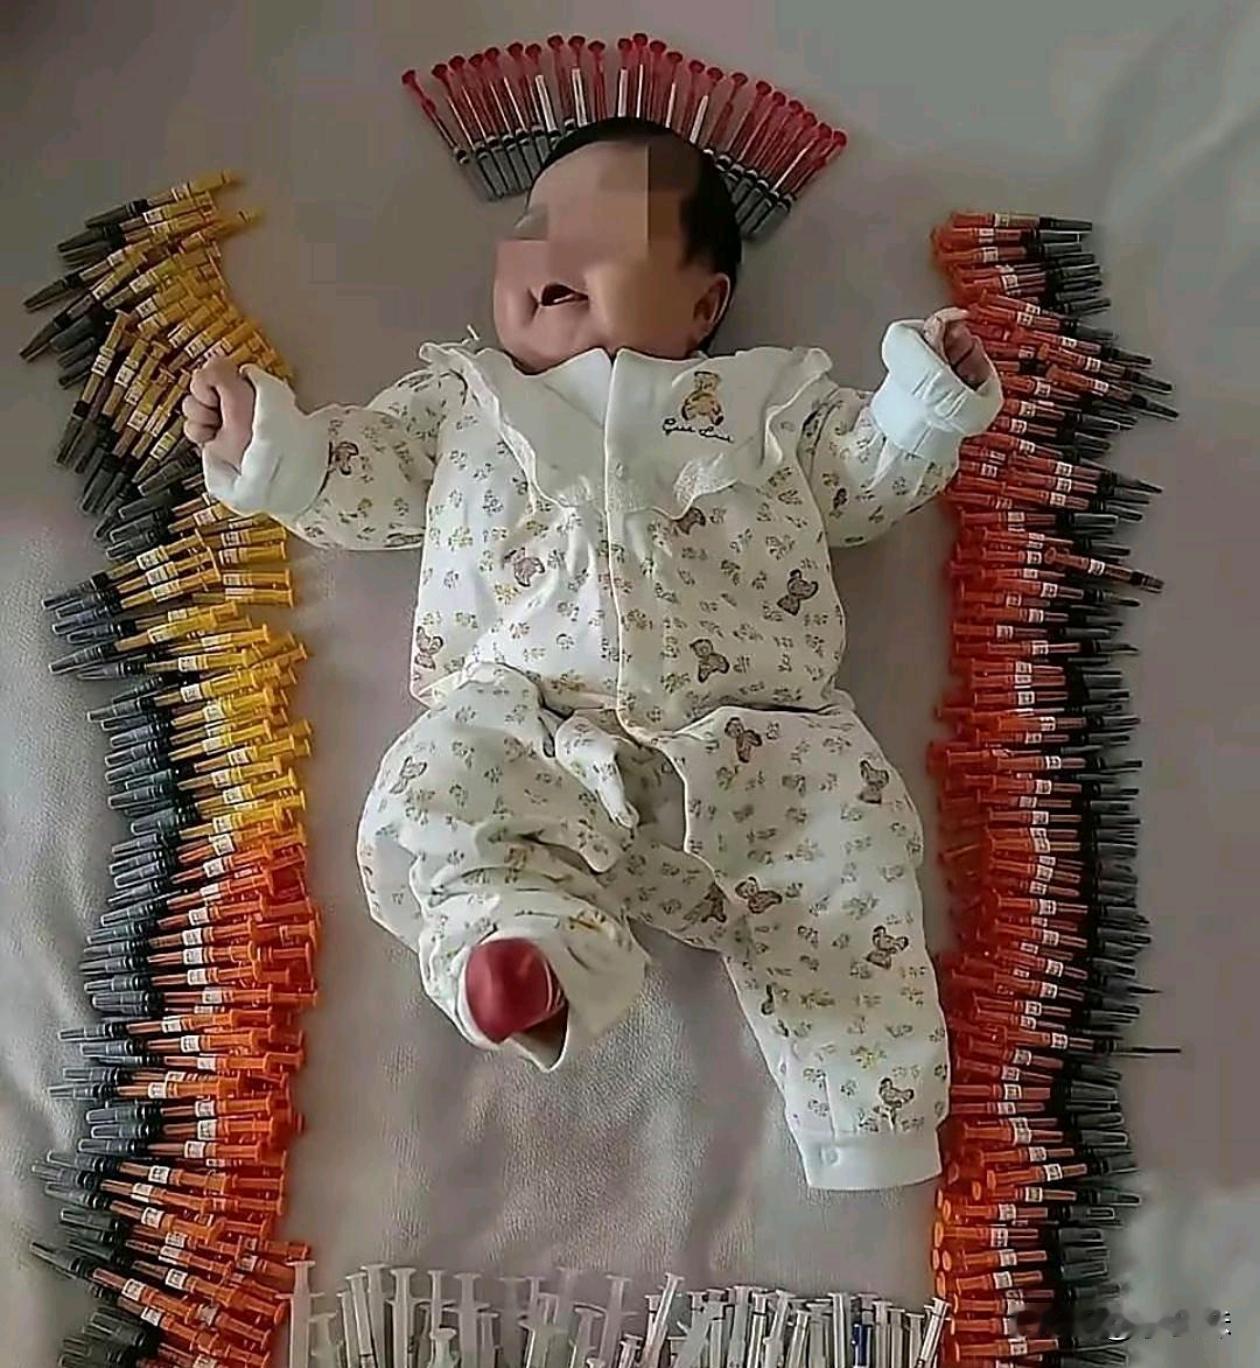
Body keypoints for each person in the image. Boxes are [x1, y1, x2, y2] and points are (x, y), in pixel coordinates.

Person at [183, 116, 1001, 1190]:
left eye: (601, 230)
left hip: (762, 747)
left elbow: (861, 479)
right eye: (532, 227)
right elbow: (357, 479)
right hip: (530, 724)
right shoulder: (464, 403)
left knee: (845, 870)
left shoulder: (769, 402)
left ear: (703, 303)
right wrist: (267, 442)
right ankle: (530, 950)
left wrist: (922, 402)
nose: (550, 249)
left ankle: (866, 1120)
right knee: (441, 796)